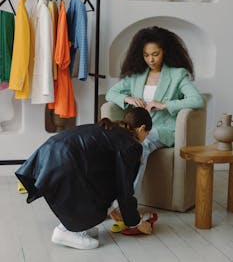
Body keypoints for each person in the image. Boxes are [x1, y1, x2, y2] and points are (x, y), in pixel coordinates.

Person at [15, 107, 152, 250]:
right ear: (142, 129)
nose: (145, 138)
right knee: (87, 189)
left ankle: (79, 227)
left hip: (53, 150)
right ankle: (64, 231)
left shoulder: (114, 129)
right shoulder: (131, 145)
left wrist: (115, 210)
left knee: (99, 183)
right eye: (147, 134)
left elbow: (112, 181)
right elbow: (125, 188)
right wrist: (135, 222)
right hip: (65, 160)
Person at [106, 26, 204, 197]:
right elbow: (110, 93)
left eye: (155, 54)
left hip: (163, 130)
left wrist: (165, 105)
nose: (150, 59)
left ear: (164, 51)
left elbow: (197, 100)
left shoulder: (177, 75)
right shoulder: (136, 76)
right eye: (146, 55)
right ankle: (108, 198)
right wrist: (128, 99)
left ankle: (127, 203)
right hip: (136, 128)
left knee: (139, 146)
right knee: (114, 145)